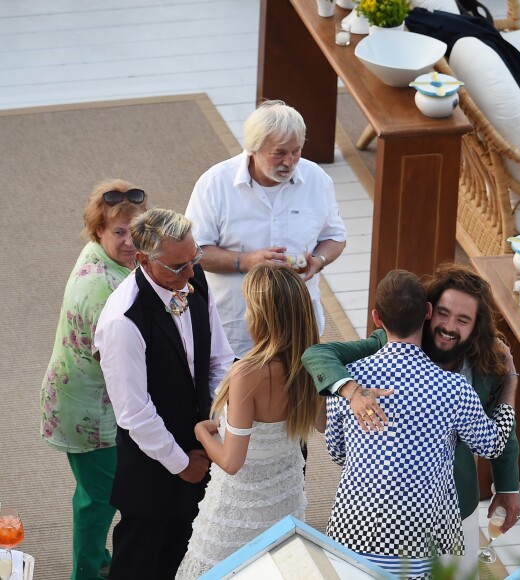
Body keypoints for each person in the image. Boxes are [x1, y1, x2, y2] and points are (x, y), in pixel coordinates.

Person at [302, 263, 520, 577]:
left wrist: (508, 486)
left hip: (382, 525)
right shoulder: (451, 388)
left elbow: (338, 452)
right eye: (444, 314)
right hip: (423, 532)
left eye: (463, 319)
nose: (449, 326)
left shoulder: (488, 361)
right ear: (428, 312)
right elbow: (493, 440)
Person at [94, 208, 234, 580]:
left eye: (194, 260)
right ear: (142, 259)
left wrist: (217, 424)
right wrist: (181, 462)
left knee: (190, 557)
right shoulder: (124, 319)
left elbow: (219, 359)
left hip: (203, 449)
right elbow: (134, 412)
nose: (190, 274)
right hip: (152, 468)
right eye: (178, 267)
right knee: (140, 565)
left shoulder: (192, 277)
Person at [175, 265, 323, 578]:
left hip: (236, 513)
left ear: (263, 315)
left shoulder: (247, 373)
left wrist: (203, 432)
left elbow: (231, 461)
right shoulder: (312, 362)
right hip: (285, 504)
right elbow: (322, 424)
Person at [40, 179, 147, 580]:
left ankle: (97, 561)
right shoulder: (101, 287)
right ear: (97, 231)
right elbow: (122, 363)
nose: (130, 242)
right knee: (101, 498)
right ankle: (85, 573)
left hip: (84, 401)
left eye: (136, 231)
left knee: (94, 492)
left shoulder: (104, 259)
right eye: (119, 232)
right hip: (89, 414)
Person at [185, 99, 347, 359]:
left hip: (300, 329)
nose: (290, 161)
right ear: (253, 148)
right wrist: (245, 261)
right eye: (279, 153)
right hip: (235, 332)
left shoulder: (317, 179)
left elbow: (335, 237)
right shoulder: (214, 184)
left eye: (296, 151)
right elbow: (194, 252)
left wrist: (318, 260)